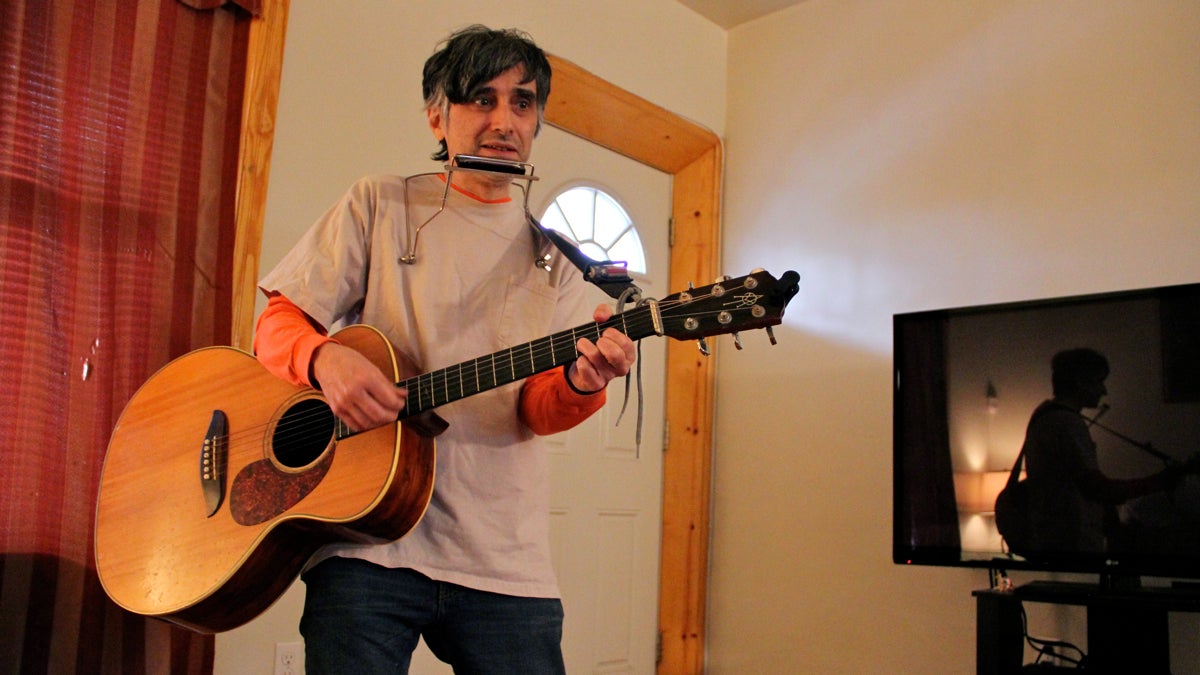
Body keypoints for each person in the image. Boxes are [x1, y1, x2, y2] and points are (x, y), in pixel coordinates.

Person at [253, 25, 636, 673]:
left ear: (538, 119)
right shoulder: (382, 202)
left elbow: (538, 409)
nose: (503, 120)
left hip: (503, 557)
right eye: (480, 99)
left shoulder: (558, 262)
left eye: (522, 102)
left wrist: (584, 382)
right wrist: (324, 358)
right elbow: (278, 323)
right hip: (364, 540)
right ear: (437, 113)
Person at [1021, 348, 1182, 558]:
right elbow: (1097, 489)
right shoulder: (1067, 423)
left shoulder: (1045, 414)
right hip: (1071, 544)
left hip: (1054, 540)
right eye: (1099, 381)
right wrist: (1159, 482)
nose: (1103, 390)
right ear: (1081, 381)